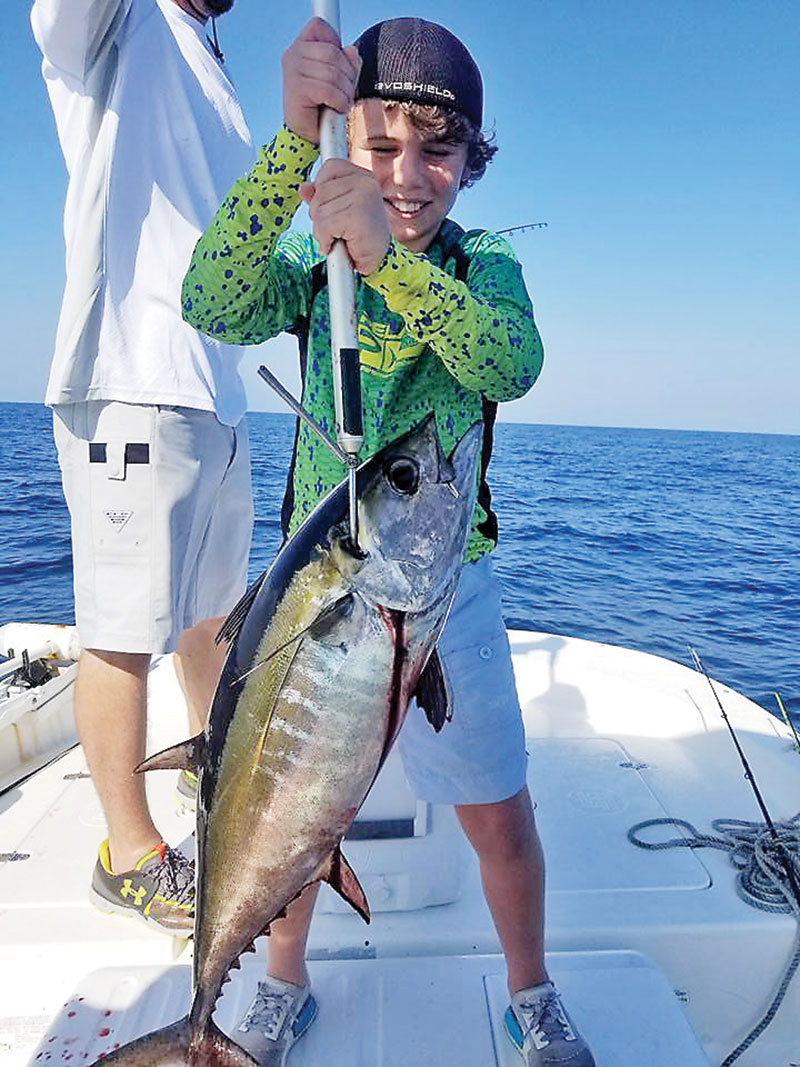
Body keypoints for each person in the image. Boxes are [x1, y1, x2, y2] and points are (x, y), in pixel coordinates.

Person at [183, 15, 596, 1067]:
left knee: (497, 814)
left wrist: (392, 261)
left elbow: (508, 361)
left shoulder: (481, 264)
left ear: (469, 161)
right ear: (344, 139)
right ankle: (273, 984)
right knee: (288, 804)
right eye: (379, 144)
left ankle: (530, 989)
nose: (408, 175)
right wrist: (289, 147)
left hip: (450, 587)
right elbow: (212, 298)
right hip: (316, 595)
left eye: (437, 149)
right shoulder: (313, 256)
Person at [30, 0, 255, 935]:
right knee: (122, 629)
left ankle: (222, 780)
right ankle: (128, 852)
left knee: (211, 618)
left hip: (219, 389)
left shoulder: (214, 59)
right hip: (131, 375)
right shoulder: (117, 23)